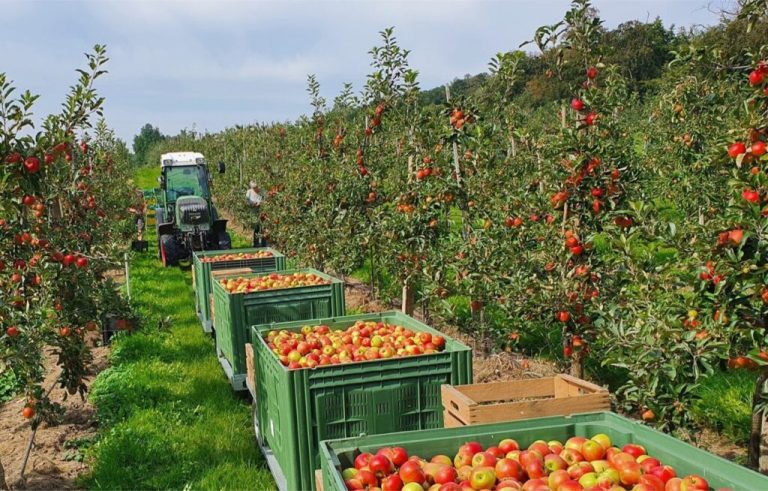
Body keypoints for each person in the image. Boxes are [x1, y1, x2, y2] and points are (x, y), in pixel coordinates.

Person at [246, 181, 267, 247]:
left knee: (263, 227)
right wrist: (253, 204)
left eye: (256, 187)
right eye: (254, 188)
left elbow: (266, 199)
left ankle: (264, 243)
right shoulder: (249, 192)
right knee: (256, 227)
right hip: (254, 211)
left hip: (262, 211)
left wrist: (261, 203)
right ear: (251, 187)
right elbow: (246, 202)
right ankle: (256, 243)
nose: (256, 188)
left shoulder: (262, 191)